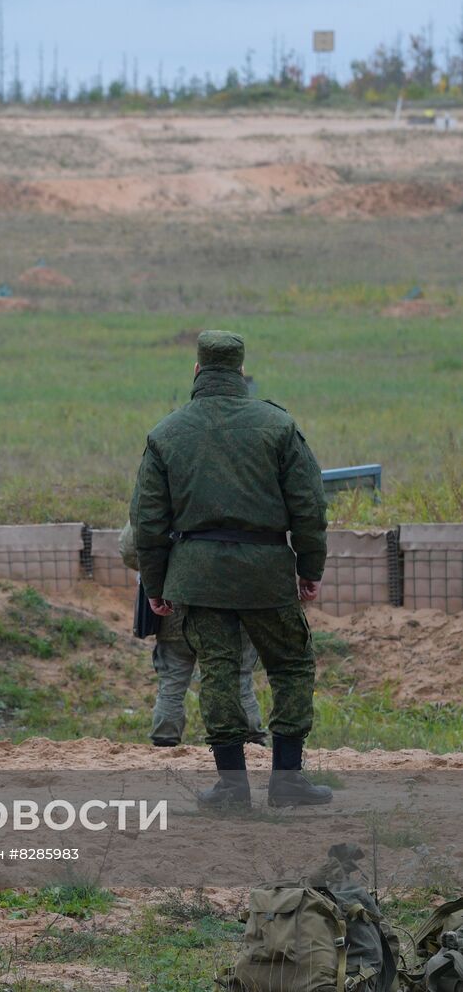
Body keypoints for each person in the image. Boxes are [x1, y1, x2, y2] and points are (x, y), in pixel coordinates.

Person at [132, 330, 330, 810]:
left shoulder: (166, 433)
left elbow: (148, 521)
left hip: (197, 578)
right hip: (266, 574)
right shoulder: (278, 427)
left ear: (197, 372)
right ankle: (287, 779)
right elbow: (309, 506)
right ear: (241, 373)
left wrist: (155, 585)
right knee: (290, 665)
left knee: (217, 672)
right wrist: (309, 568)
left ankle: (231, 786)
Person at [117, 522, 265, 747]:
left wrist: (164, 568)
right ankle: (252, 744)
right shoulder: (250, 488)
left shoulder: (164, 489)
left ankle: (165, 743)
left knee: (172, 681)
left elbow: (130, 549)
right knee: (239, 677)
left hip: (176, 598)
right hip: (234, 597)